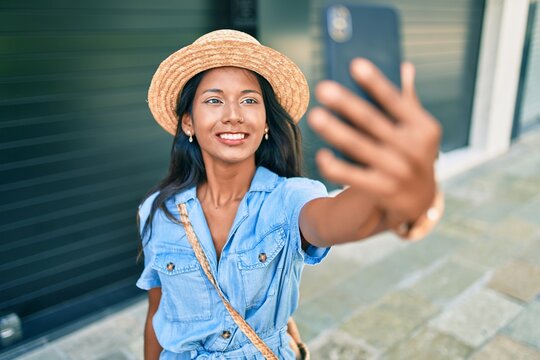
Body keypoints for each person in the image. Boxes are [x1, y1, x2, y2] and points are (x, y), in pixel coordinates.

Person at [136, 29, 442, 360]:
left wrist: (401, 198)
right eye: (213, 100)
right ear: (188, 123)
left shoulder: (289, 198)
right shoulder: (158, 211)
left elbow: (332, 219)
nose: (233, 114)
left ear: (266, 122)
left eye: (250, 100)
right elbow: (157, 314)